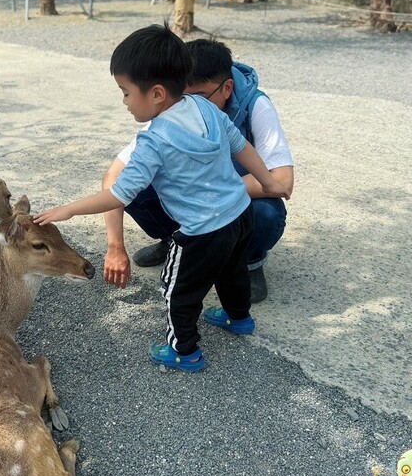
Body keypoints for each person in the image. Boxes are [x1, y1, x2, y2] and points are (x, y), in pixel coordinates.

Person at [34, 24, 282, 372]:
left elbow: (119, 193)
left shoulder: (154, 139)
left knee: (177, 290)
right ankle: (238, 317)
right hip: (240, 215)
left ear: (157, 94)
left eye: (124, 92)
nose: (123, 102)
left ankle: (184, 350)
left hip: (202, 231)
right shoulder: (204, 106)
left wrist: (70, 210)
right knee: (232, 271)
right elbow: (242, 147)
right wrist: (267, 181)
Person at [102, 39, 294, 303]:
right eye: (185, 96)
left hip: (233, 208)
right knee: (135, 185)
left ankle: (248, 263)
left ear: (227, 88)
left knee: (266, 213)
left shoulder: (256, 106)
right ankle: (177, 240)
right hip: (200, 207)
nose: (189, 104)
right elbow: (114, 177)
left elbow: (282, 180)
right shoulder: (179, 106)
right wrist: (115, 248)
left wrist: (215, 192)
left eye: (199, 97)